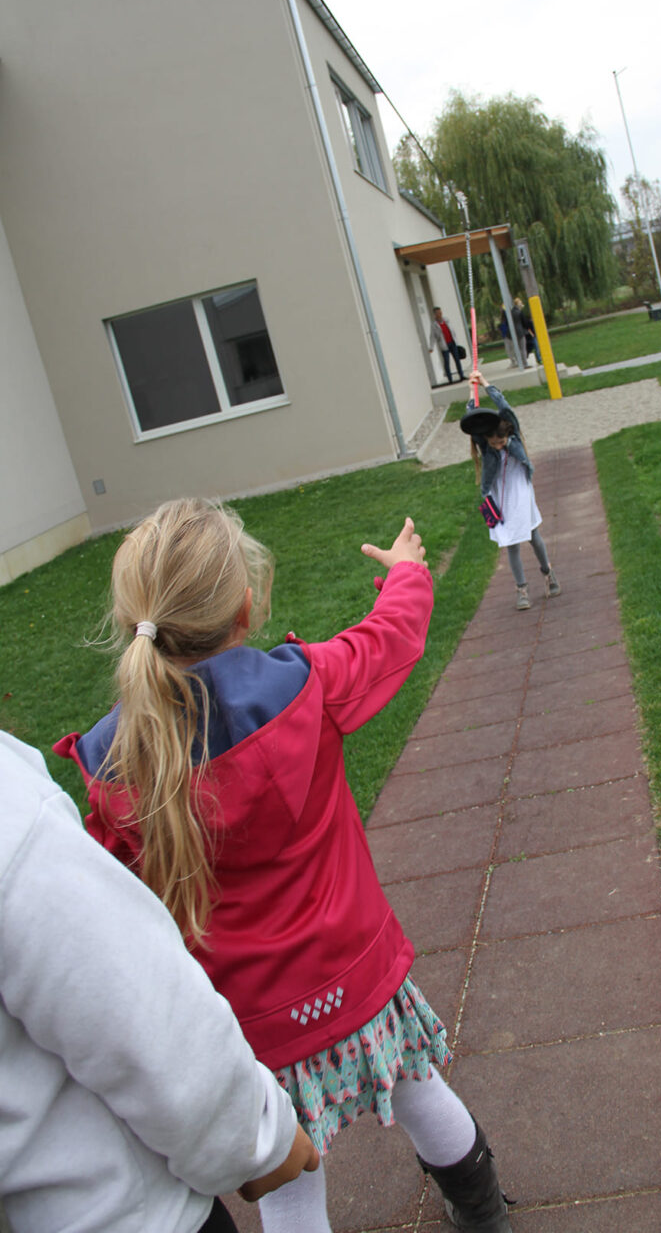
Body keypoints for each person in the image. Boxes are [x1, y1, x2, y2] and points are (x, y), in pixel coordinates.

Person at [55, 499, 512, 1233]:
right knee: (421, 1090)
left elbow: (109, 891)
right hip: (357, 976)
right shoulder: (306, 683)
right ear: (247, 604)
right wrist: (405, 576)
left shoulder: (114, 768)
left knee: (292, 1180)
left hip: (249, 1024)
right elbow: (389, 638)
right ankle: (483, 1214)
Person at [0, 728, 317, 1233]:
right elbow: (131, 1005)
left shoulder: (109, 763)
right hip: (120, 1212)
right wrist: (258, 1137)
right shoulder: (10, 811)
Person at [467, 369, 560, 610]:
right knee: (511, 542)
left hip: (520, 491)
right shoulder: (487, 448)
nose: (497, 447)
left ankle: (548, 572)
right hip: (499, 495)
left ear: (508, 434)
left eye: (501, 442)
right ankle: (522, 589)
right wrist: (471, 389)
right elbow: (472, 419)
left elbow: (504, 406)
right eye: (493, 443)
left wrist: (486, 382)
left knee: (532, 535)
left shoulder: (514, 436)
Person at [428, 305, 465, 383]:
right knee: (447, 362)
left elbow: (452, 331)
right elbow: (432, 336)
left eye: (440, 312)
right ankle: (450, 379)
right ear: (435, 314)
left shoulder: (446, 320)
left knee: (457, 360)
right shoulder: (434, 325)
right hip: (444, 345)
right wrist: (431, 347)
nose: (440, 314)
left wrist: (456, 340)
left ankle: (461, 375)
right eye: (438, 313)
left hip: (452, 342)